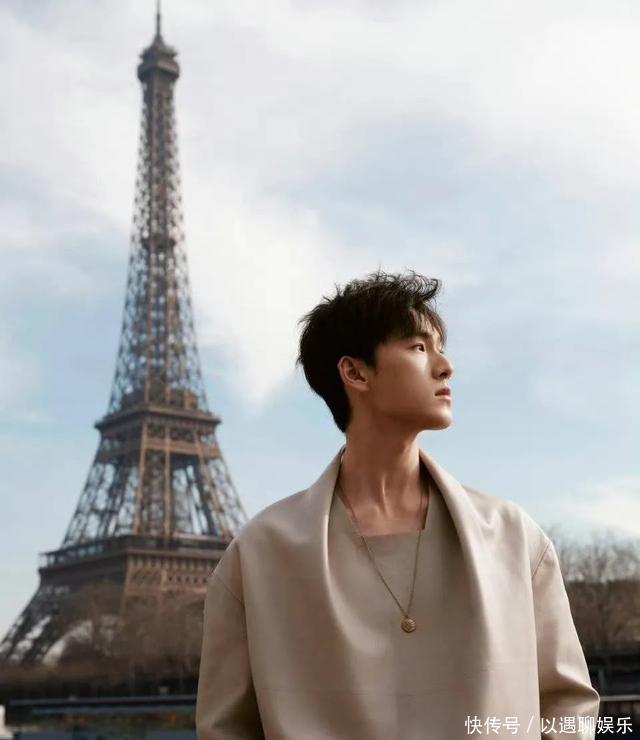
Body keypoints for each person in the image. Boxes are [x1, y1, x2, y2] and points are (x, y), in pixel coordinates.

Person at [195, 269, 600, 739]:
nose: (445, 366)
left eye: (441, 348)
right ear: (355, 372)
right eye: (418, 347)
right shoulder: (259, 554)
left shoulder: (513, 536)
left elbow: (567, 706)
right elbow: (226, 727)